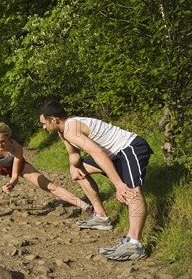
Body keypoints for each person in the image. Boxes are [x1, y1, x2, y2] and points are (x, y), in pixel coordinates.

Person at [38, 100, 153, 261]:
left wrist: (118, 185)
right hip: (113, 154)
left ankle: (134, 243)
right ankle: (101, 216)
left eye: (44, 123)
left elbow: (98, 152)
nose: (43, 127)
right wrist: (73, 166)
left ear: (54, 119)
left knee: (131, 191)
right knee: (80, 171)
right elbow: (74, 154)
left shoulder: (72, 128)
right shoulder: (64, 131)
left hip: (129, 147)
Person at [0, 122, 93, 223]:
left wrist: (11, 184)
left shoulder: (16, 147)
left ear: (8, 137)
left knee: (50, 186)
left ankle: (86, 206)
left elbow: (14, 175)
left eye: (2, 141)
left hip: (20, 167)